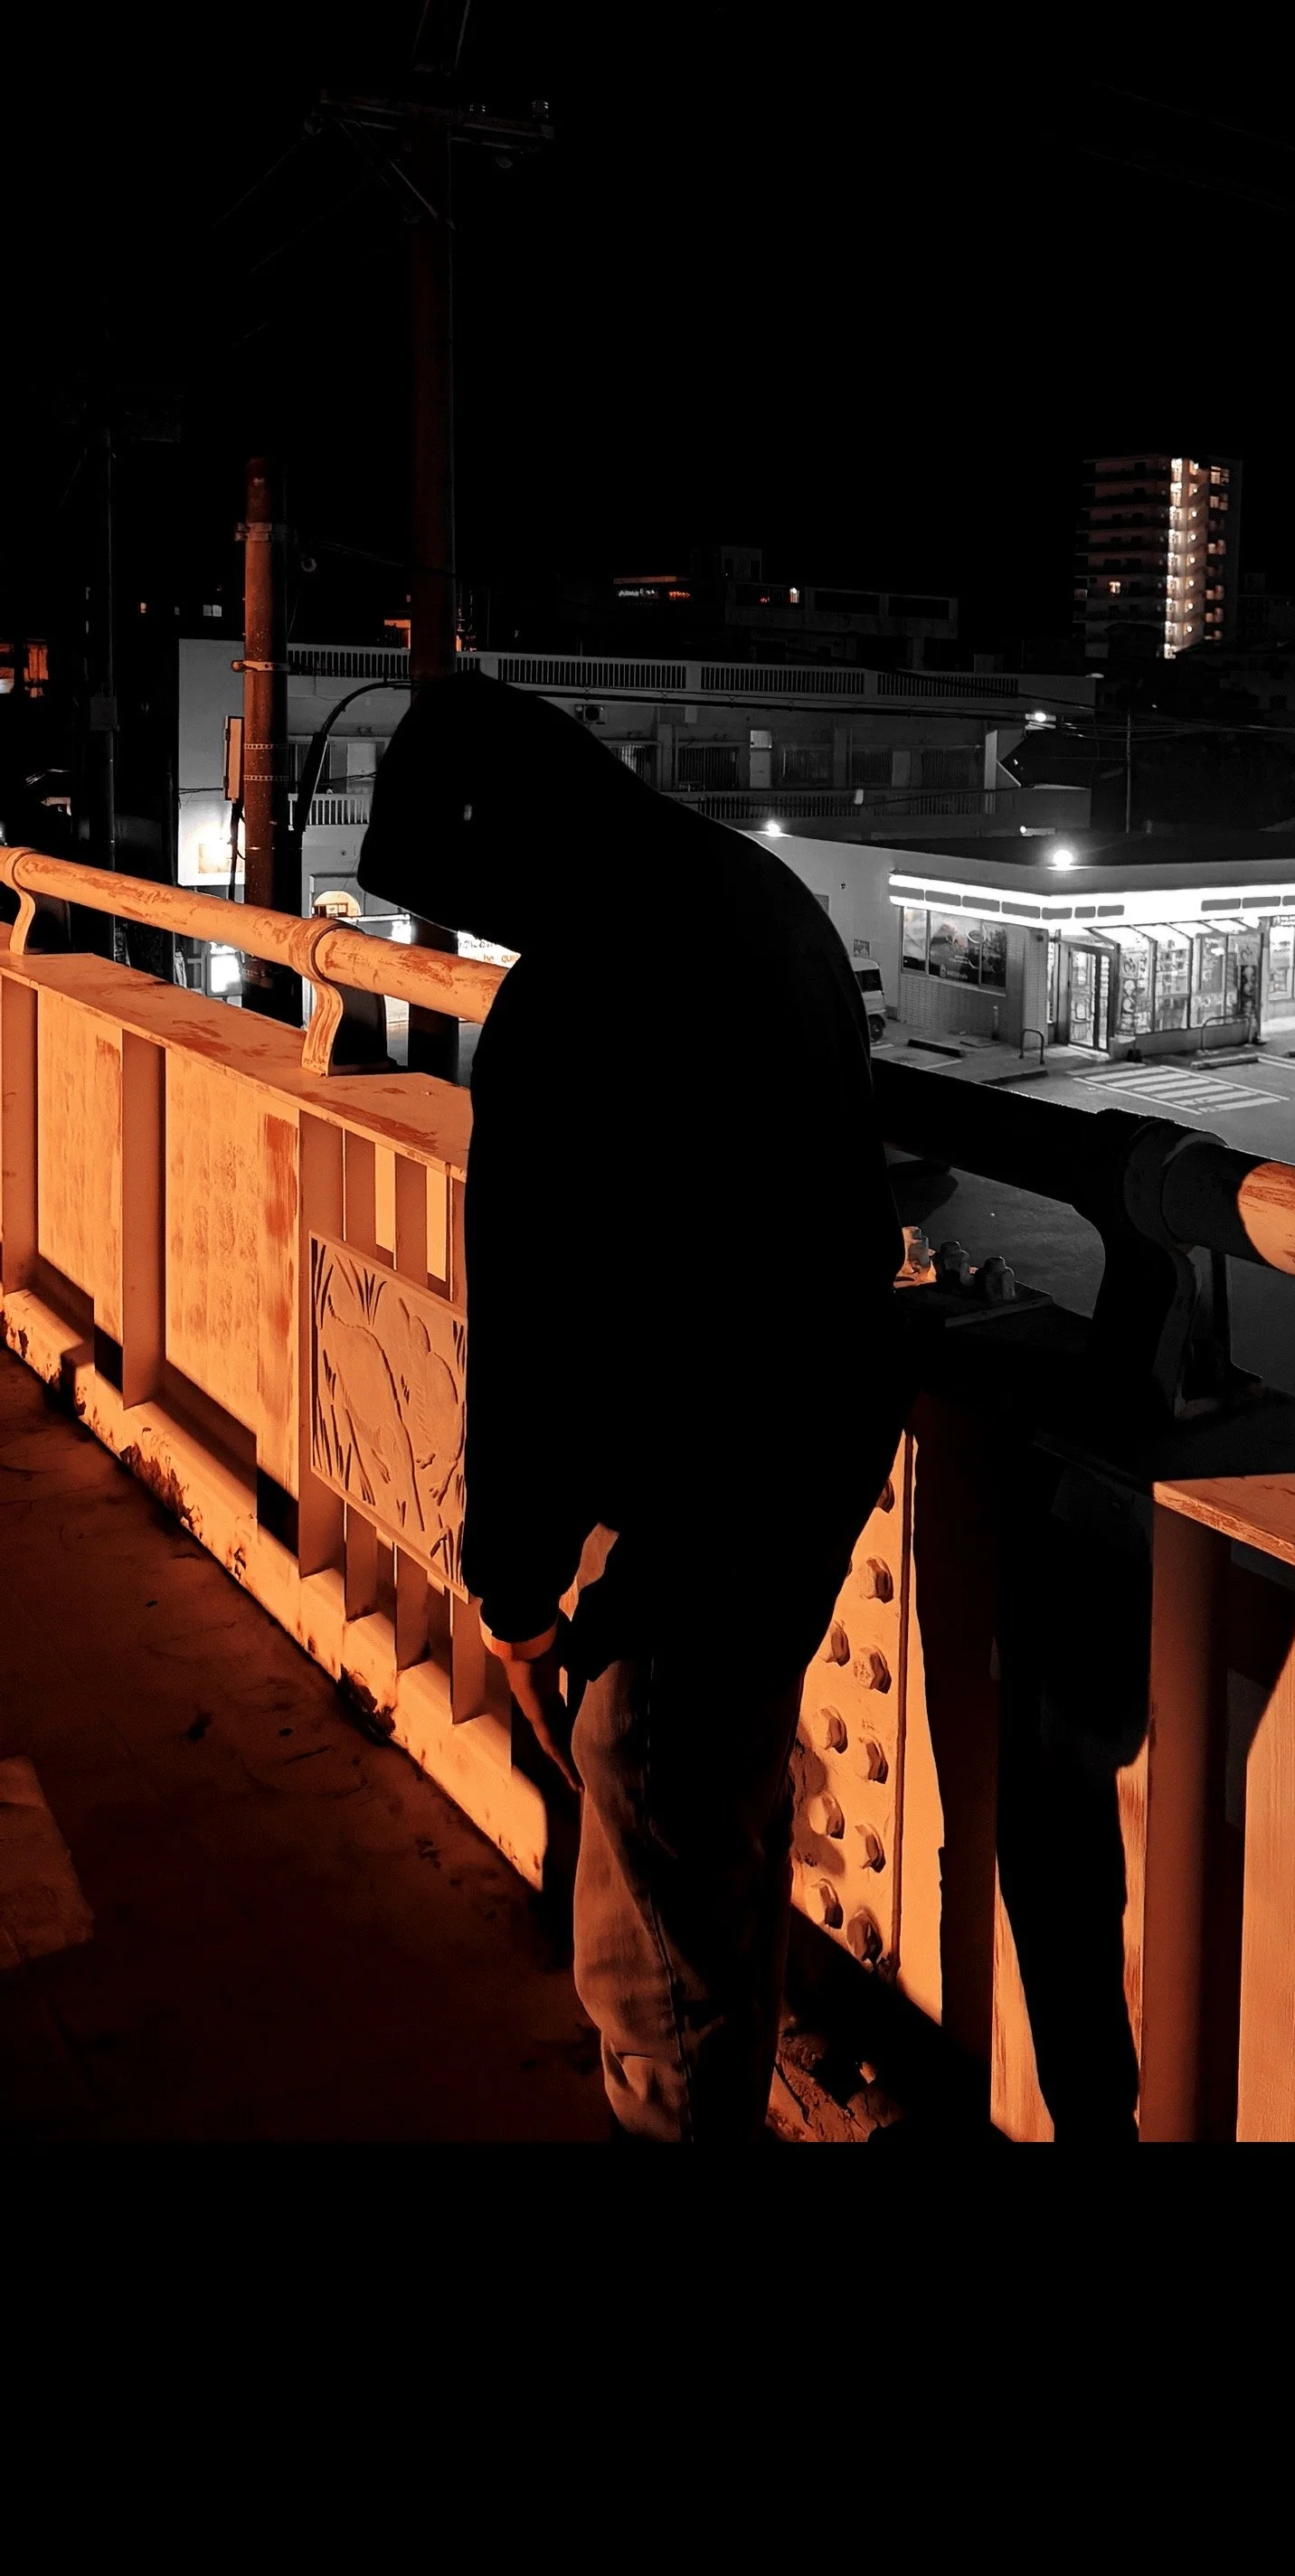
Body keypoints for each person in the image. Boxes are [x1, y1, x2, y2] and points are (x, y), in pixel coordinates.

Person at [359, 674, 903, 2142]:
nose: (478, 932)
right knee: (715, 1816)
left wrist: (516, 1590)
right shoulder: (760, 897)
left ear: (503, 840)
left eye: (467, 895)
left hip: (693, 1506)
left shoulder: (575, 997)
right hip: (812, 1451)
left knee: (651, 1861)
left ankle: (685, 2108)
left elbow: (538, 1331)